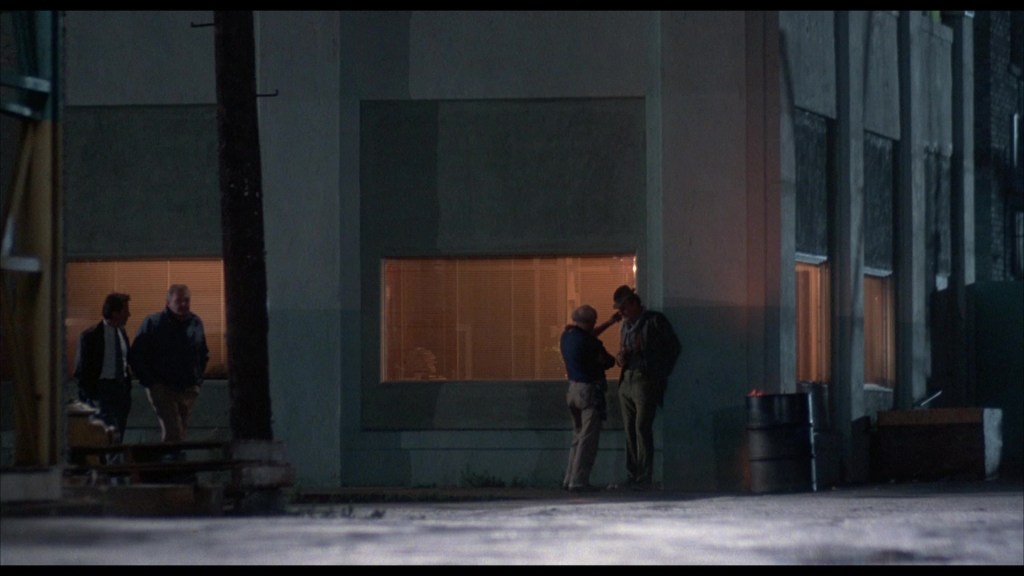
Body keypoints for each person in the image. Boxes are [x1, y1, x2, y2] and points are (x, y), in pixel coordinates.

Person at [611, 285, 681, 490]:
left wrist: (657, 372)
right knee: (630, 429)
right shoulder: (625, 326)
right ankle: (633, 473)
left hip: (645, 378)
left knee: (642, 427)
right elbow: (621, 352)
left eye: (624, 307)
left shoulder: (654, 321)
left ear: (634, 303)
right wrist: (621, 357)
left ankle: (644, 475)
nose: (621, 312)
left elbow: (674, 348)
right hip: (627, 378)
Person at [129, 284, 209, 444]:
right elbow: (137, 354)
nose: (184, 305)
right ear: (168, 302)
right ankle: (171, 465)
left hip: (188, 387)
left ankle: (172, 463)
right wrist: (151, 382)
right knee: (173, 430)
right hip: (162, 387)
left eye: (186, 300)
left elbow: (202, 352)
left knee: (179, 430)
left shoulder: (195, 322)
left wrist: (197, 380)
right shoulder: (154, 323)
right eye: (179, 301)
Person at [559, 304, 620, 492]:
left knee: (577, 437)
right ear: (590, 321)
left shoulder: (567, 336)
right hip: (589, 391)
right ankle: (579, 481)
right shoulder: (590, 344)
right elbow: (608, 360)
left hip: (573, 390)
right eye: (594, 321)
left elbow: (589, 334)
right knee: (588, 439)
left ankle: (569, 478)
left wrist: (609, 323)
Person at [73, 292, 133, 441]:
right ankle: (108, 462)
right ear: (115, 313)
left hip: (121, 389)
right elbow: (82, 370)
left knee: (119, 433)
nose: (129, 315)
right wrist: (92, 395)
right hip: (101, 390)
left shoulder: (122, 333)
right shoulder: (90, 337)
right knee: (106, 433)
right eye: (125, 311)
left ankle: (112, 462)